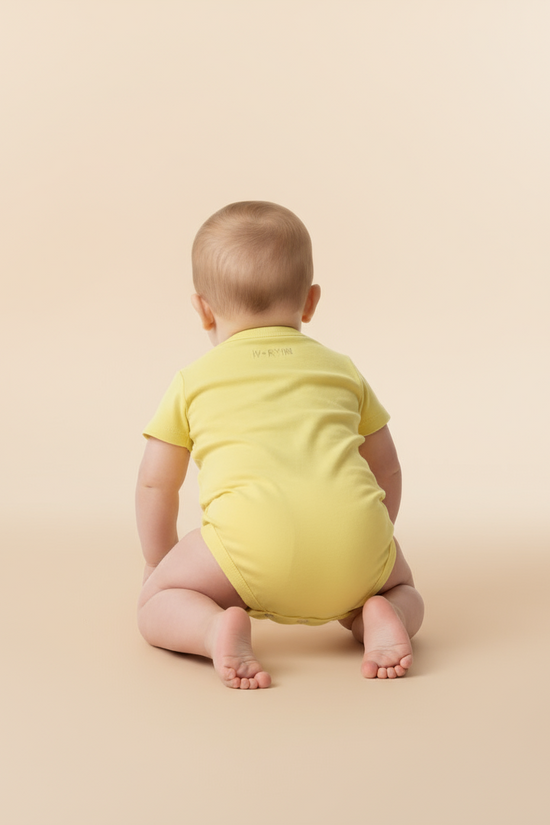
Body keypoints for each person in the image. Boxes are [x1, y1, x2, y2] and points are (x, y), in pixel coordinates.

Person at [136, 201, 424, 689]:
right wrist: (371, 541)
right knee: (407, 593)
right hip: (356, 543)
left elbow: (155, 485)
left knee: (155, 605)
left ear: (203, 309)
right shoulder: (342, 370)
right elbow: (388, 469)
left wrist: (160, 564)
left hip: (244, 551)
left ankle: (211, 628)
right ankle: (378, 614)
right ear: (310, 301)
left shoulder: (193, 381)